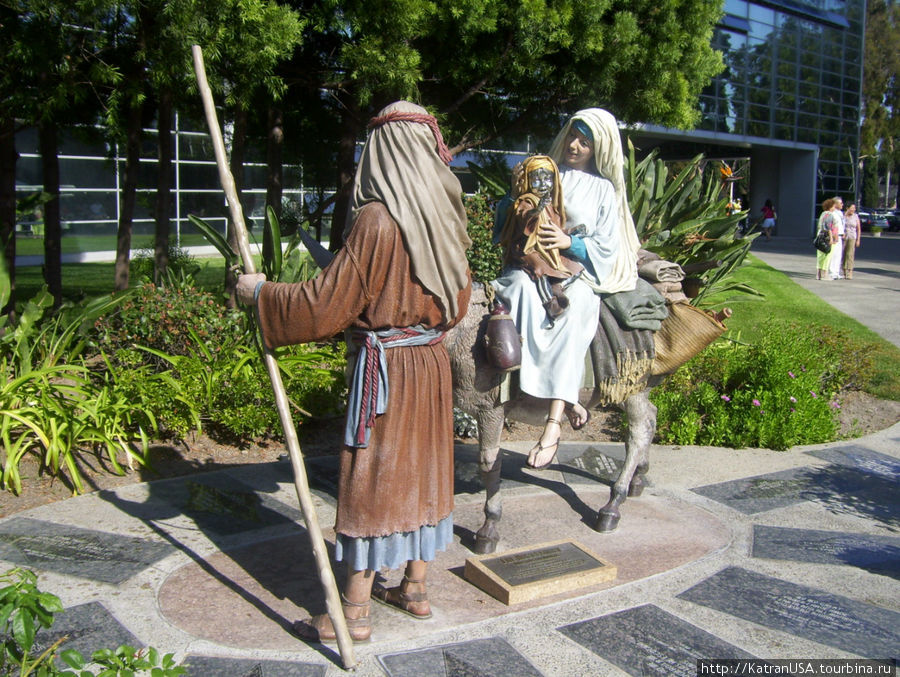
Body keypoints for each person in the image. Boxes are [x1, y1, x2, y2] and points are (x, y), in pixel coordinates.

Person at [236, 101, 472, 642]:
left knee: (374, 479)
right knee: (423, 471)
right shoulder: (448, 214)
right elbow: (458, 302)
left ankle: (354, 612)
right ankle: (414, 589)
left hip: (386, 370)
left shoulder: (376, 219)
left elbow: (326, 304)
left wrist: (262, 295)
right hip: (430, 364)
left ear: (383, 151)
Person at [492, 108, 641, 470]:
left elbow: (607, 245)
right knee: (517, 292)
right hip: (532, 265)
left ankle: (554, 423)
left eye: (585, 142)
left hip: (576, 272)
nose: (574, 145)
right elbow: (506, 216)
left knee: (574, 312)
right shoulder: (545, 171)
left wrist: (568, 241)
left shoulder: (603, 190)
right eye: (573, 136)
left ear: (598, 148)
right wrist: (514, 203)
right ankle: (544, 392)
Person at [496, 155, 583, 321]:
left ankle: (558, 286)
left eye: (548, 179)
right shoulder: (526, 201)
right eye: (537, 179)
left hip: (547, 248)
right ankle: (550, 303)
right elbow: (524, 218)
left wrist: (573, 231)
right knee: (539, 269)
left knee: (573, 267)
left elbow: (555, 228)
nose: (543, 184)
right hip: (527, 249)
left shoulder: (551, 205)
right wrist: (537, 210)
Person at [815, 198, 837, 281]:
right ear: (830, 206)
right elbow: (829, 227)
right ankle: (825, 274)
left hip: (820, 235)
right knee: (828, 255)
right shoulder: (830, 215)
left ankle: (818, 274)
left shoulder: (822, 214)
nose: (834, 208)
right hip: (826, 237)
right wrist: (832, 238)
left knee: (820, 255)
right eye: (833, 206)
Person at [842, 202, 861, 280]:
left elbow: (858, 229)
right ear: (847, 208)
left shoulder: (855, 216)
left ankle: (850, 271)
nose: (853, 209)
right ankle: (844, 270)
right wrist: (845, 214)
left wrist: (858, 239)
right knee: (843, 254)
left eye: (854, 208)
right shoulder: (843, 216)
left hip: (852, 237)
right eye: (852, 208)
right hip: (843, 237)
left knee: (850, 254)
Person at [828, 196, 845, 279]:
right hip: (835, 236)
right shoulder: (833, 213)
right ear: (835, 204)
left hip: (840, 235)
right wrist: (834, 236)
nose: (842, 204)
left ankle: (836, 272)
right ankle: (832, 272)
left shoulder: (840, 213)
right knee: (833, 254)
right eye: (841, 203)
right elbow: (832, 226)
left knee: (839, 255)